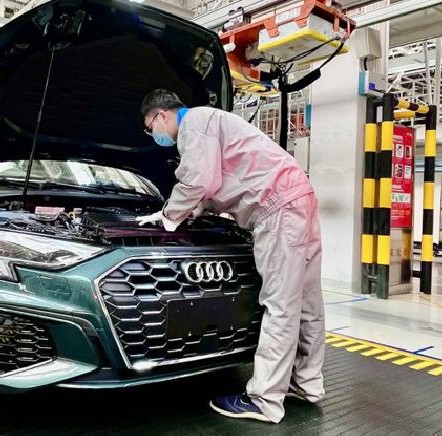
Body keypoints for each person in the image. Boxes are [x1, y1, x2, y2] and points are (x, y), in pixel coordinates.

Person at [136, 89, 324, 424]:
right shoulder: (213, 121)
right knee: (307, 303)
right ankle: (306, 382)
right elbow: (215, 184)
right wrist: (190, 210)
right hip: (298, 198)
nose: (155, 136)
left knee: (280, 304)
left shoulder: (193, 123)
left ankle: (265, 400)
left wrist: (168, 215)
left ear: (161, 115)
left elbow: (198, 178)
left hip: (276, 208)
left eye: (150, 129)